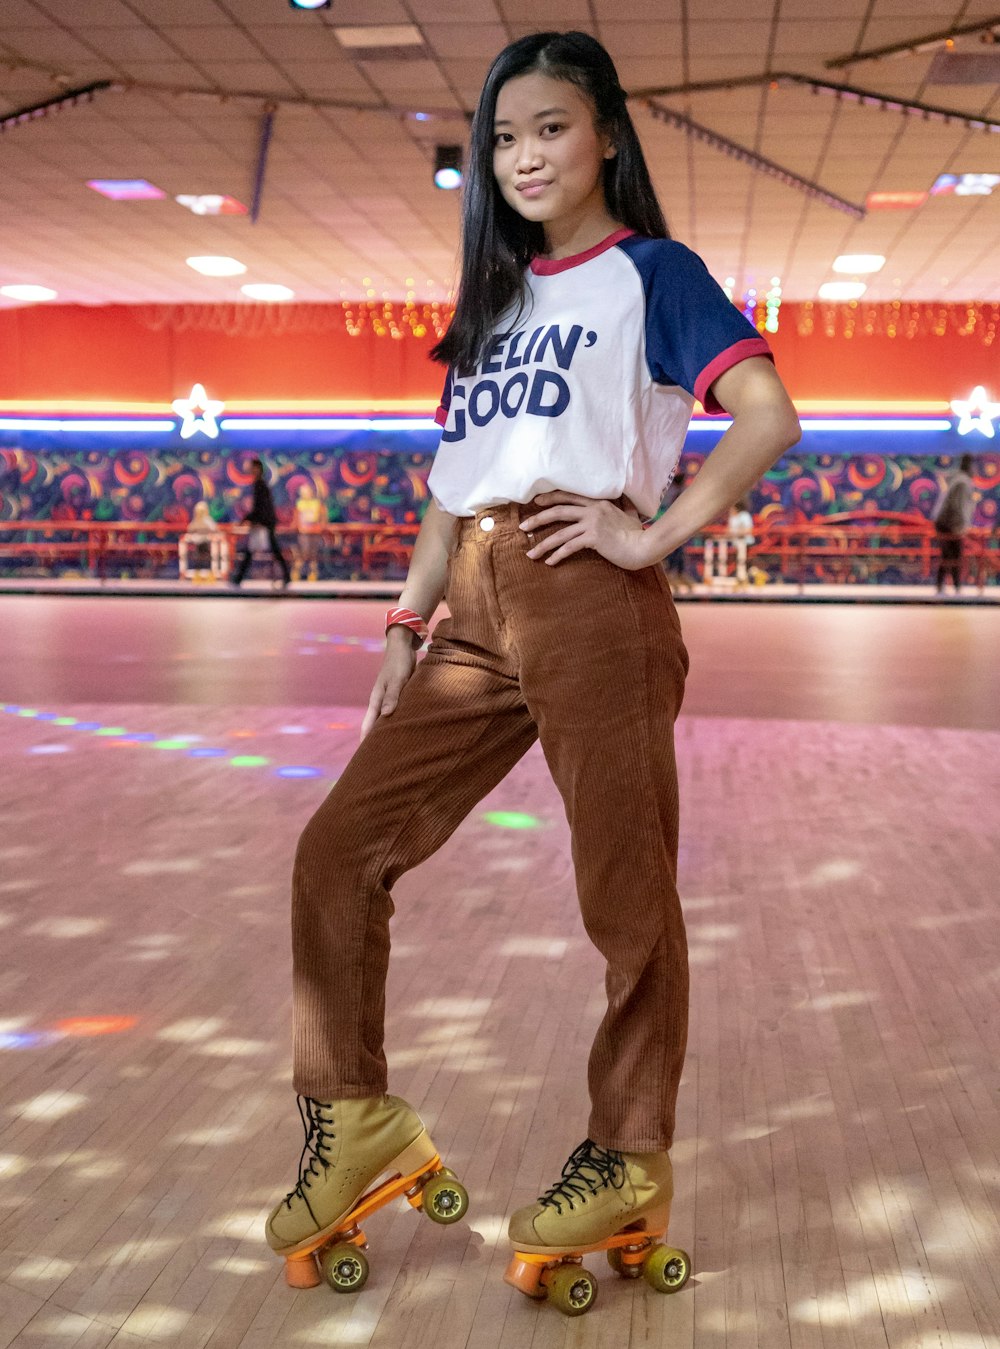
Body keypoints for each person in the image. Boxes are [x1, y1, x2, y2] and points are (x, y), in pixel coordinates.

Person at [265, 30, 800, 1289]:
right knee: (337, 849)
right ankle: (354, 1119)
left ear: (606, 133)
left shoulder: (652, 273)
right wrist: (408, 621)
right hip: (473, 607)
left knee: (623, 893)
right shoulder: (495, 304)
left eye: (549, 128)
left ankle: (626, 1152)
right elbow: (454, 484)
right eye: (502, 138)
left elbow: (768, 415)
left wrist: (650, 531)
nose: (521, 157)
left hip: (588, 597)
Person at [231, 457, 291, 588]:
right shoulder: (260, 484)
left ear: (257, 469)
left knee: (257, 550)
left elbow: (260, 507)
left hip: (264, 523)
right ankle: (238, 578)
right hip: (263, 523)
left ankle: (238, 579)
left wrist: (247, 519)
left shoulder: (260, 485)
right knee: (254, 550)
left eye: (252, 467)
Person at [933, 453, 975, 594]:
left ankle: (942, 586)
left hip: (943, 521)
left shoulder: (956, 479)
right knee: (954, 555)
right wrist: (962, 526)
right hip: (950, 523)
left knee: (947, 555)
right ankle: (956, 587)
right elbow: (959, 506)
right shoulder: (963, 482)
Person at [661, 468, 694, 592]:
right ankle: (673, 576)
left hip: (677, 528)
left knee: (677, 553)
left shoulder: (673, 493)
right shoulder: (676, 494)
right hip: (675, 528)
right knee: (674, 553)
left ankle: (677, 575)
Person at [291, 482, 324, 582]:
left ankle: (313, 574)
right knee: (302, 553)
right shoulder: (299, 504)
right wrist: (297, 528)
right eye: (303, 492)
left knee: (313, 554)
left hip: (315, 532)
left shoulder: (317, 504)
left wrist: (320, 527)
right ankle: (296, 573)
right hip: (303, 532)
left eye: (307, 491)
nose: (306, 493)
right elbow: (296, 520)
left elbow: (322, 518)